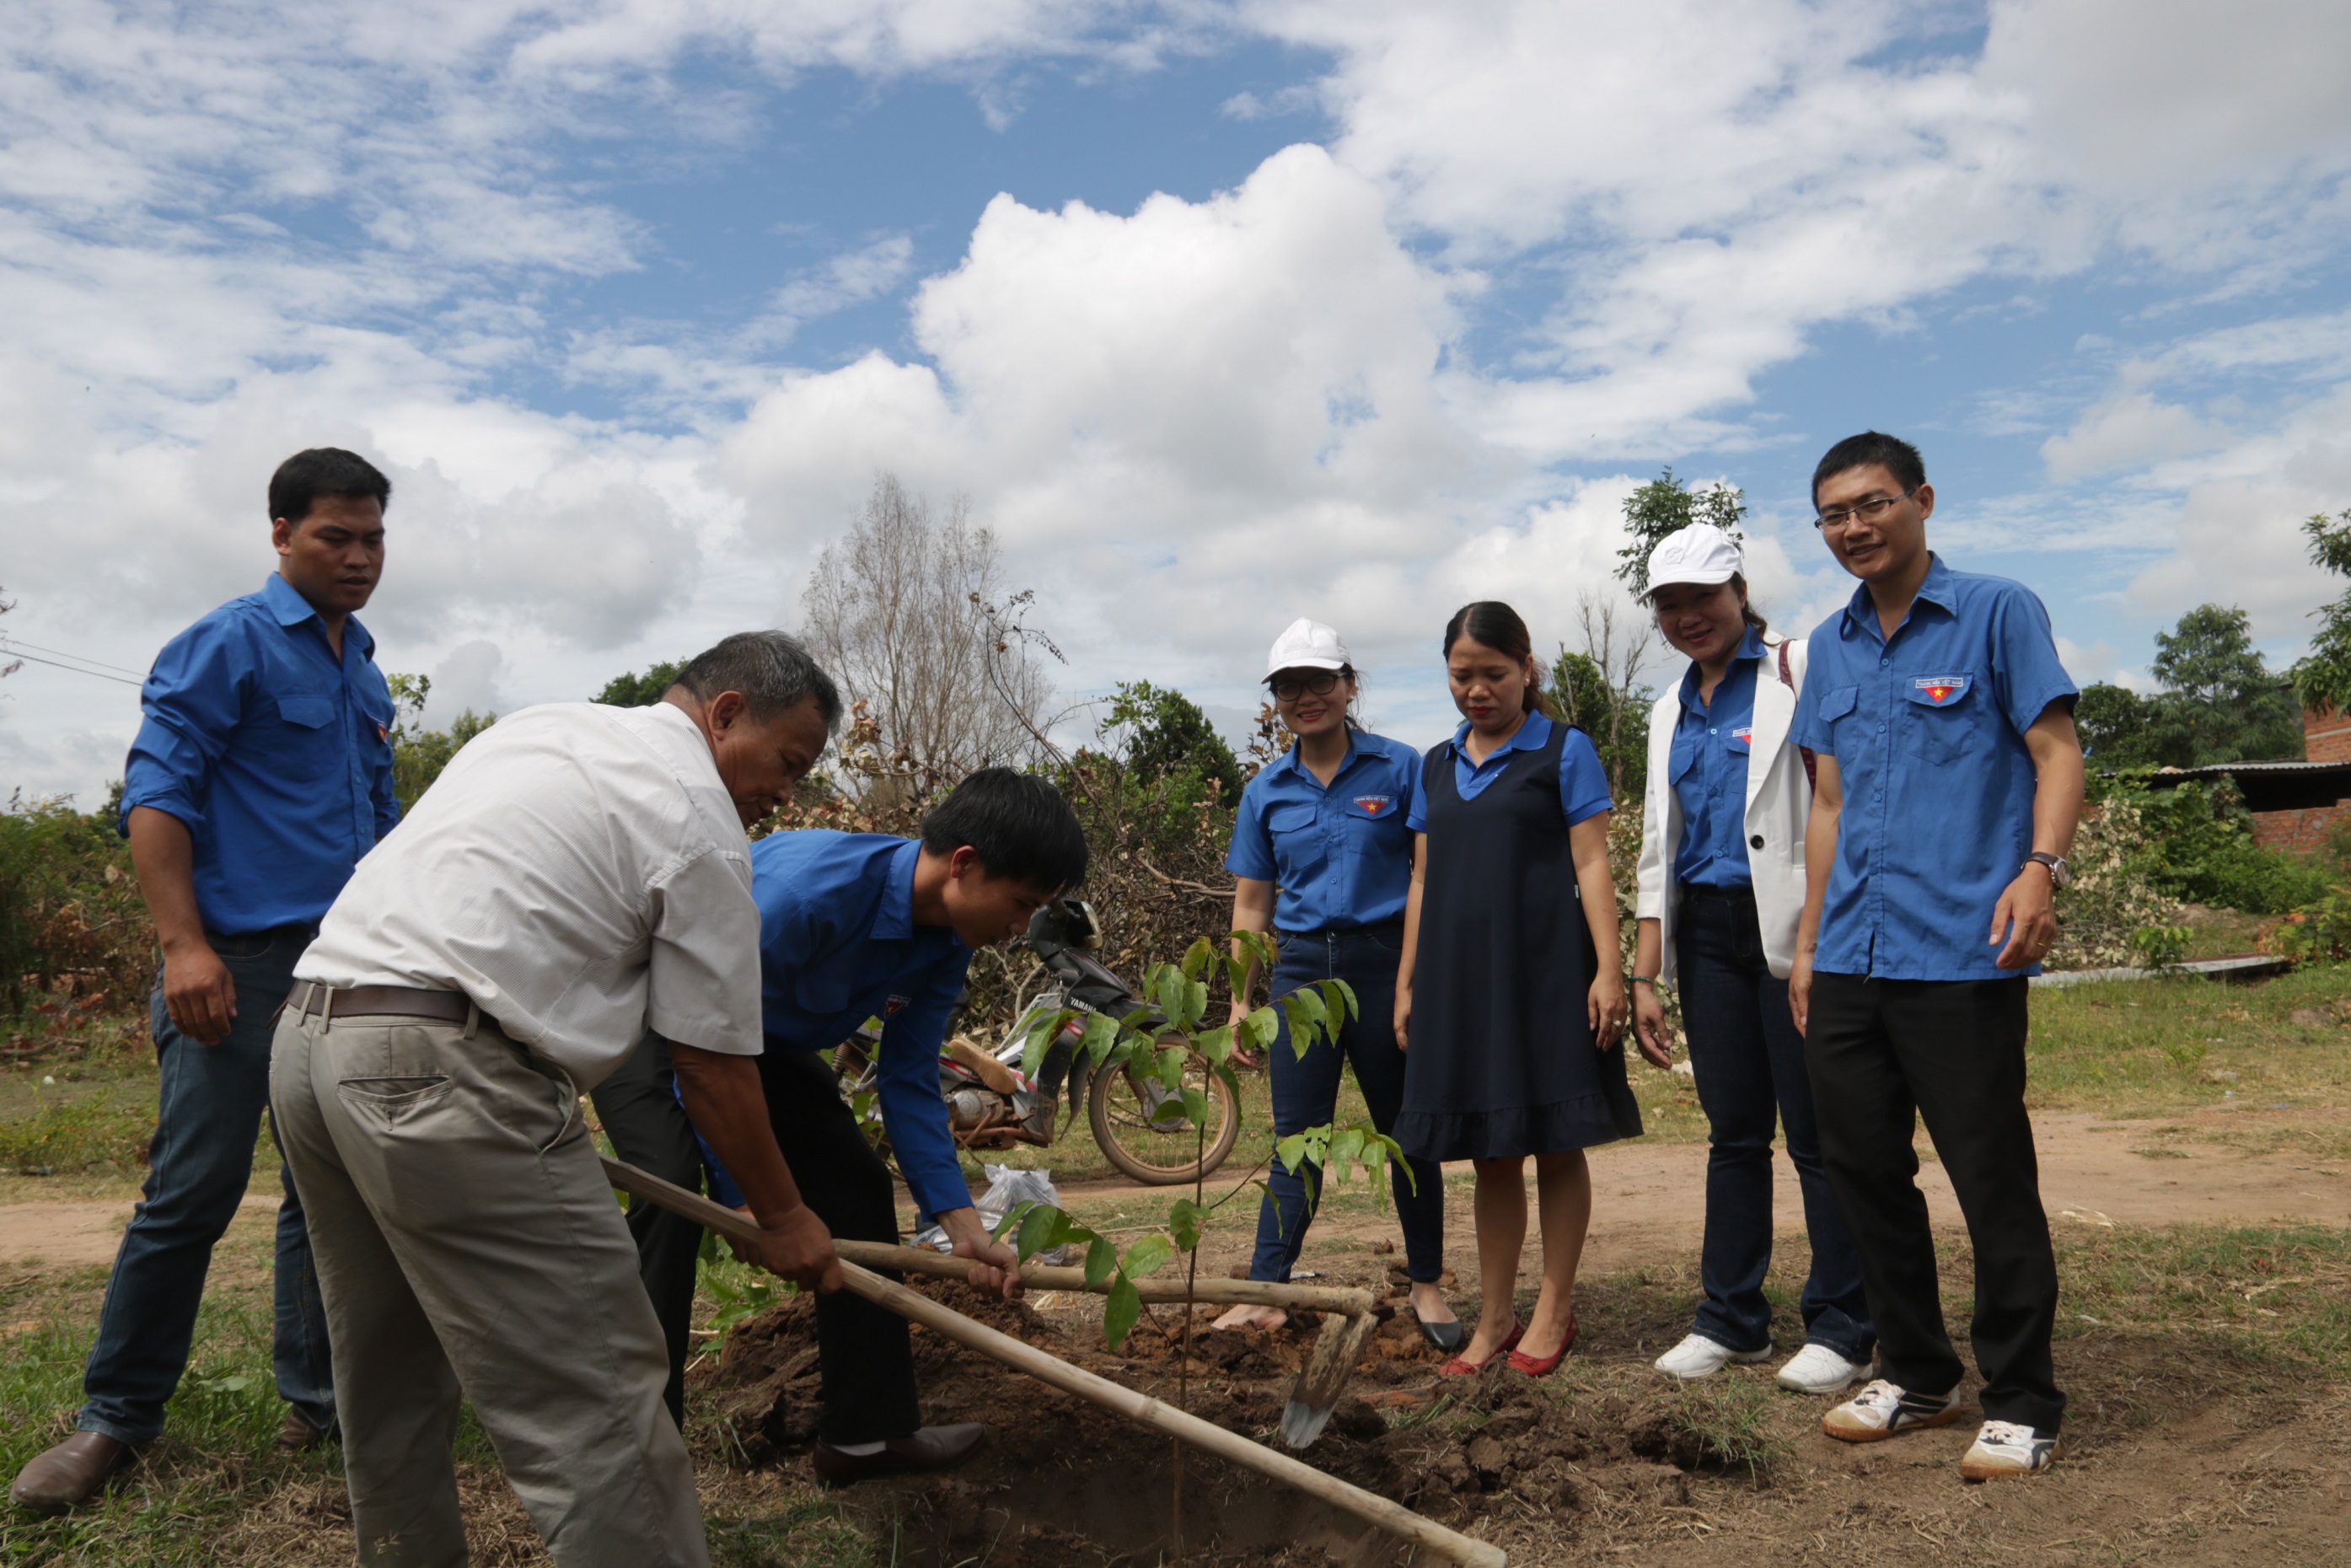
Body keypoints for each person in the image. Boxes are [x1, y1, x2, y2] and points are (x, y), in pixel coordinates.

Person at [271, 631, 848, 1567]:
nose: (787, 792)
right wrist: (781, 1216)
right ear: (726, 712)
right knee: (600, 1401)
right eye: (787, 762)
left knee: (388, 1379)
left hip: (312, 1042)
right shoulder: (699, 821)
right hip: (440, 1071)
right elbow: (707, 1063)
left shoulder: (545, 730)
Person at [10, 448, 397, 1515]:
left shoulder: (362, 668)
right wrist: (186, 948)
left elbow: (382, 824)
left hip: (344, 964)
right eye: (335, 536)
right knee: (193, 1193)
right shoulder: (227, 643)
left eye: (372, 539)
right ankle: (114, 1421)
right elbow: (159, 794)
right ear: (280, 534)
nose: (359, 557)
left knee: (326, 1195)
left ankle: (317, 1401)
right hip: (237, 963)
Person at [597, 766, 1087, 1485]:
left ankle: (866, 1435)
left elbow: (910, 1076)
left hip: (758, 1038)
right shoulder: (803, 896)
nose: (1019, 930)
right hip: (658, 1023)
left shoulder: (947, 940)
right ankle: (640, 1452)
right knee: (673, 1190)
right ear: (963, 865)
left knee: (856, 1184)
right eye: (1019, 906)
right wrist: (745, 1200)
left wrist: (961, 1224)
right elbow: (698, 1050)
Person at [1786, 432, 2084, 1482]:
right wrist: (1810, 941)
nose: (1853, 528)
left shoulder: (1997, 611)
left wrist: (2038, 867)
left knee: (1987, 1173)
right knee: (1861, 1169)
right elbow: (1823, 802)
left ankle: (2021, 1395)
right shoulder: (1829, 645)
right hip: (1853, 955)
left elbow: (2055, 751)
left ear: (1919, 500)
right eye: (1832, 514)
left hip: (1962, 949)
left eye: (1870, 505)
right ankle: (1915, 1370)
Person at [1628, 524, 1875, 1394]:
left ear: (1739, 592)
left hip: (1798, 934)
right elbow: (1660, 849)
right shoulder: (1667, 711)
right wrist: (1643, 973)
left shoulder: (1797, 671)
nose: (1688, 616)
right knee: (1734, 1135)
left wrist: (1819, 941)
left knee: (1816, 1134)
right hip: (1706, 938)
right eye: (1669, 604)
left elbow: (1837, 799)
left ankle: (1843, 1324)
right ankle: (1729, 1318)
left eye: (1703, 597)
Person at [1395, 601, 1640, 1378]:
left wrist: (1609, 969)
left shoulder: (1564, 750)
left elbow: (1592, 862)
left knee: (1555, 1143)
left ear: (1525, 668)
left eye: (1493, 674)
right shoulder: (1433, 764)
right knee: (1487, 1152)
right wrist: (1406, 982)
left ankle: (1553, 1309)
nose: (1476, 691)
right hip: (1459, 983)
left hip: (1544, 973)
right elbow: (1424, 878)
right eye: (1461, 675)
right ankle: (1494, 1315)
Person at [1210, 619, 1456, 1349]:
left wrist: (1416, 979)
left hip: (1385, 966)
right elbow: (1253, 903)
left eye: (1320, 681)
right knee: (1296, 1139)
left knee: (1407, 1133)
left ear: (1350, 686)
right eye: (1289, 686)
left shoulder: (1401, 767)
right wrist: (1237, 1000)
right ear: (1275, 701)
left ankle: (1428, 1284)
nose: (1306, 697)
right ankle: (1267, 1287)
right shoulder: (1265, 791)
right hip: (1298, 975)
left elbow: (1425, 876)